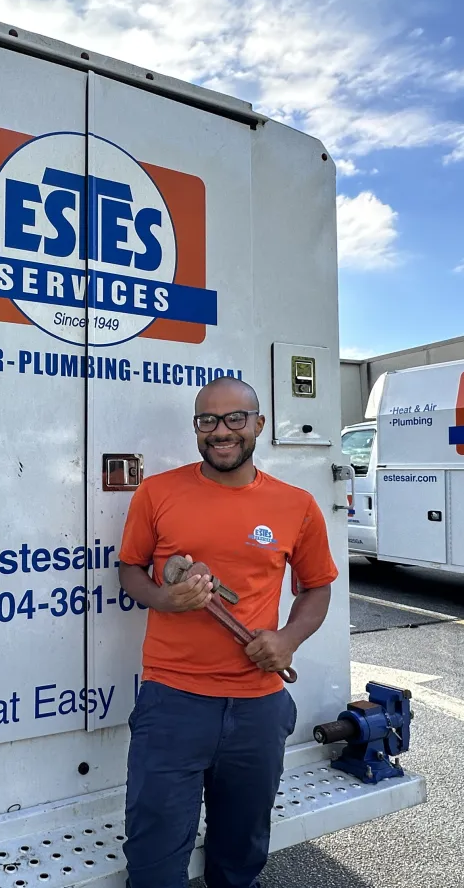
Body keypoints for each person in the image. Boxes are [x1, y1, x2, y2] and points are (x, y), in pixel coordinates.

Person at [117, 376, 338, 888]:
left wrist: (287, 639)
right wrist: (166, 598)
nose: (221, 432)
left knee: (240, 859)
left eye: (235, 418)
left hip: (259, 708)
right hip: (171, 702)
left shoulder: (296, 505)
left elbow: (317, 589)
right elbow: (130, 570)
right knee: (153, 863)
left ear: (258, 424)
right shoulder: (158, 493)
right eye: (208, 420)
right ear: (196, 428)